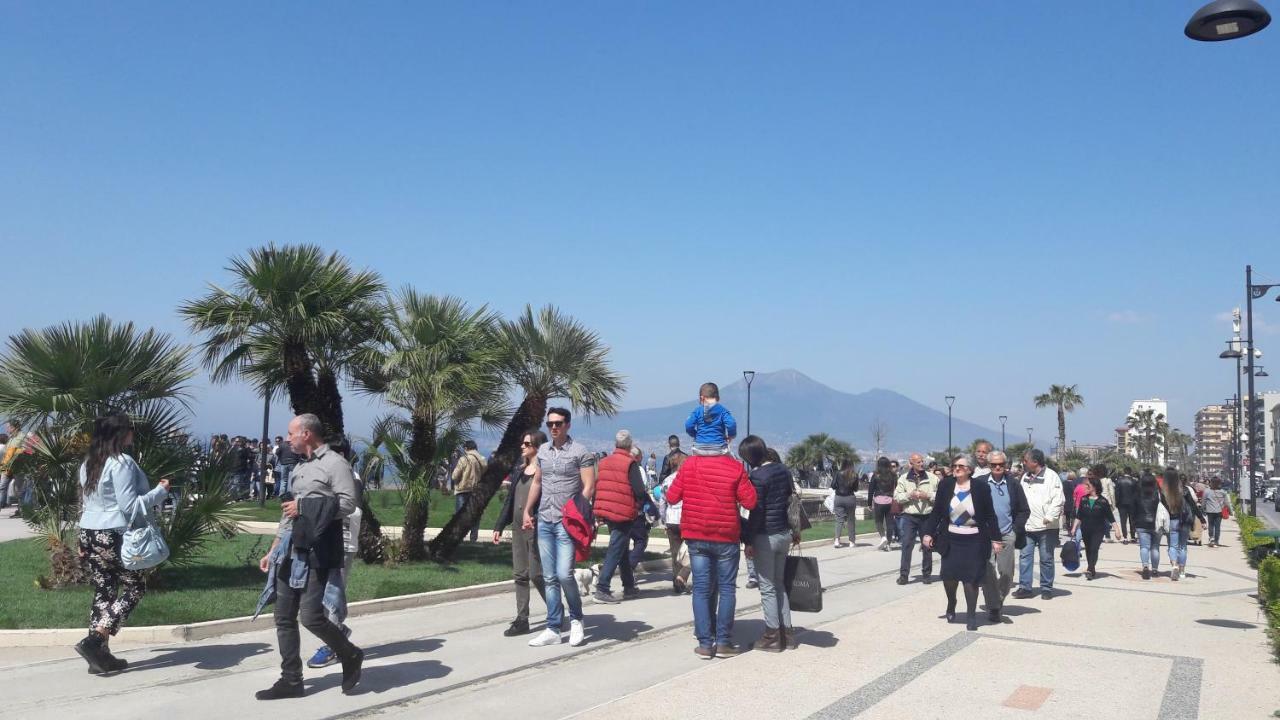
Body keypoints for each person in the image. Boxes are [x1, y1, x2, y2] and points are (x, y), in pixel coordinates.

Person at [254, 414, 362, 700]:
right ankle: (291, 679)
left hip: (319, 550)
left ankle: (349, 654)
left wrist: (304, 506)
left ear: (307, 434)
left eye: (291, 434)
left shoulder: (336, 464)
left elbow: (348, 504)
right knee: (283, 616)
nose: (288, 439)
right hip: (292, 550)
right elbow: (287, 515)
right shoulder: (300, 468)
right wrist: (274, 550)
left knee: (312, 617)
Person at [73, 413, 171, 675]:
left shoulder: (89, 463)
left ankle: (100, 656)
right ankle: (96, 640)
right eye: (130, 429)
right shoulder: (121, 463)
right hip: (112, 532)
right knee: (135, 586)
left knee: (104, 590)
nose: (133, 433)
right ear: (119, 433)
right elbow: (129, 506)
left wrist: (81, 538)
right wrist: (160, 492)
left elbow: (85, 503)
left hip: (90, 532)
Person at [666, 436, 757, 659]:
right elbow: (750, 502)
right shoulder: (735, 467)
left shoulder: (689, 466)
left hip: (696, 535)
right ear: (725, 446)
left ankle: (705, 643)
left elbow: (671, 496)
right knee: (727, 588)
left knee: (701, 588)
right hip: (726, 536)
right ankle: (724, 641)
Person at [524, 408, 596, 648]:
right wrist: (527, 510)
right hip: (545, 518)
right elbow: (537, 481)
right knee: (549, 576)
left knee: (565, 574)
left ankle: (576, 619)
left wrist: (577, 512)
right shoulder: (543, 451)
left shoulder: (580, 452)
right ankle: (553, 627)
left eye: (558, 423)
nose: (553, 427)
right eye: (550, 423)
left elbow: (588, 487)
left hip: (566, 522)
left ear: (567, 425)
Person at [922, 455, 1002, 631]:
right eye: (954, 466)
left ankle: (971, 615)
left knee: (971, 579)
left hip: (974, 538)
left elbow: (990, 515)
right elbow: (936, 512)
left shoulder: (980, 487)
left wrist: (996, 539)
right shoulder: (946, 485)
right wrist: (928, 533)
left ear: (969, 469)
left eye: (961, 466)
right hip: (951, 538)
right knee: (949, 576)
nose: (956, 468)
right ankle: (952, 602)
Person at [307, 439, 364, 669]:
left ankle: (333, 645)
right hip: (323, 543)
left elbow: (352, 509)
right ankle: (338, 632)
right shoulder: (330, 476)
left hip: (342, 544)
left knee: (331, 596)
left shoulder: (350, 478)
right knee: (323, 595)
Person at [740, 436, 798, 652]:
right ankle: (788, 633)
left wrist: (748, 540)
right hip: (784, 533)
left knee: (766, 587)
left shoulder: (757, 477)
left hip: (766, 535)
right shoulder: (783, 470)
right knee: (779, 583)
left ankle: (771, 634)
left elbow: (756, 511)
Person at [493, 430, 547, 636]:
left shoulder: (543, 473)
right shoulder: (519, 471)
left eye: (527, 443)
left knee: (536, 574)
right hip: (517, 528)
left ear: (537, 447)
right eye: (522, 443)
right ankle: (522, 618)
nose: (522, 446)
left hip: (535, 528)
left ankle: (556, 610)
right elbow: (510, 501)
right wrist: (499, 525)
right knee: (520, 574)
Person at [592, 430, 647, 603]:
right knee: (616, 548)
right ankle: (602, 587)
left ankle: (629, 586)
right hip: (623, 512)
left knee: (621, 548)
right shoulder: (630, 463)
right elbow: (639, 490)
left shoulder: (604, 461)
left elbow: (598, 485)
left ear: (615, 444)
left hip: (607, 509)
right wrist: (643, 506)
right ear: (630, 445)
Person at [978, 451, 1028, 623]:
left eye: (1001, 464)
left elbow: (1023, 510)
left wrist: (1015, 530)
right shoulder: (980, 484)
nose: (998, 467)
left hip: (1007, 534)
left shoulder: (1013, 485)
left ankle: (998, 599)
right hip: (985, 536)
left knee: (1006, 573)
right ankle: (993, 607)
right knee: (988, 572)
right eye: (994, 465)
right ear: (989, 466)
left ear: (1006, 465)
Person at [1013, 449, 1064, 600]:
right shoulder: (1025, 477)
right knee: (1025, 557)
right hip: (1027, 525)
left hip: (1046, 526)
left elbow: (1058, 499)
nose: (1024, 463)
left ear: (1035, 462)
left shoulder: (1052, 477)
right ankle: (1025, 587)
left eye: (1026, 460)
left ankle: (1046, 588)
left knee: (1046, 558)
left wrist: (1049, 516)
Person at [1069, 468, 1120, 580]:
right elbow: (1079, 516)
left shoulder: (1103, 501)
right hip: (1086, 528)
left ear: (1094, 486)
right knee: (1088, 549)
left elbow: (1110, 517)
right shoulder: (1083, 500)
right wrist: (1074, 528)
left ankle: (1090, 568)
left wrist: (1117, 530)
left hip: (1098, 529)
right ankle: (1091, 567)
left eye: (1088, 485)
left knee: (1094, 548)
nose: (1086, 487)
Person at [894, 453, 937, 585]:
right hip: (909, 516)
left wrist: (928, 495)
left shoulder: (932, 478)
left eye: (922, 461)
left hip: (927, 516)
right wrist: (909, 495)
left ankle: (926, 575)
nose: (921, 464)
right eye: (917, 462)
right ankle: (904, 575)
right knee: (906, 545)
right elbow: (897, 496)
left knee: (927, 546)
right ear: (910, 463)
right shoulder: (903, 478)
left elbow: (940, 496)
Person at [1162, 467, 1206, 581]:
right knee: (1183, 547)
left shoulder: (1163, 492)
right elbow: (1193, 505)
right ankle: (1182, 571)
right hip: (1184, 520)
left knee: (1173, 546)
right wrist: (1202, 519)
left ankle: (1174, 565)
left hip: (1172, 521)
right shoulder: (1185, 490)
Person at [684, 381, 737, 456]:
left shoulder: (697, 411)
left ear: (701, 398)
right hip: (719, 448)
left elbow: (688, 425)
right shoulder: (722, 410)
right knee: (733, 461)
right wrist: (731, 435)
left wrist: (695, 434)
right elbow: (731, 424)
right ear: (718, 398)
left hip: (699, 448)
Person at [451, 440, 486, 543]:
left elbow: (454, 476)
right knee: (475, 515)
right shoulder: (482, 460)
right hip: (477, 490)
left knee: (460, 515)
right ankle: (473, 538)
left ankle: (458, 537)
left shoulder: (464, 459)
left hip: (463, 489)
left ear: (466, 448)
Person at [1132, 471, 1163, 579]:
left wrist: (1134, 522)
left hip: (1141, 523)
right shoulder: (1159, 494)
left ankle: (1145, 566)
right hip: (1157, 523)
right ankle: (1154, 569)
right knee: (1155, 548)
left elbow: (1133, 510)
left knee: (1144, 547)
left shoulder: (1137, 494)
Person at [869, 457, 897, 551]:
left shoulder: (876, 475)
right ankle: (888, 544)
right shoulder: (893, 475)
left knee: (878, 521)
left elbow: (871, 489)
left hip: (878, 501)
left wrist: (869, 503)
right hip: (890, 500)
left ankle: (883, 537)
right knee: (890, 523)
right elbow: (896, 488)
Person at [830, 459, 859, 548]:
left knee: (839, 519)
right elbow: (856, 489)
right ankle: (852, 541)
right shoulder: (854, 474)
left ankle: (837, 540)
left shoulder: (838, 473)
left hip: (839, 498)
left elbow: (833, 485)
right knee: (851, 520)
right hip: (850, 498)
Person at [1202, 477, 1228, 547]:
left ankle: (1211, 538)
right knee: (1217, 526)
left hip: (1210, 511)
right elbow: (1226, 503)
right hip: (1219, 511)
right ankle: (1216, 541)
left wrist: (1202, 509)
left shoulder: (1207, 491)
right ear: (1219, 483)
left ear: (1211, 483)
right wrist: (1230, 512)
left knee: (1211, 525)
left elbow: (1203, 501)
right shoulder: (1223, 492)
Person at [1114, 472, 1138, 543]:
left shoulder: (1119, 481)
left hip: (1121, 504)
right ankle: (1133, 537)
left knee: (1123, 521)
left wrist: (1117, 503)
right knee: (1132, 520)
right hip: (1132, 504)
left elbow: (1117, 493)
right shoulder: (1134, 481)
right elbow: (1137, 493)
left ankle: (1125, 537)